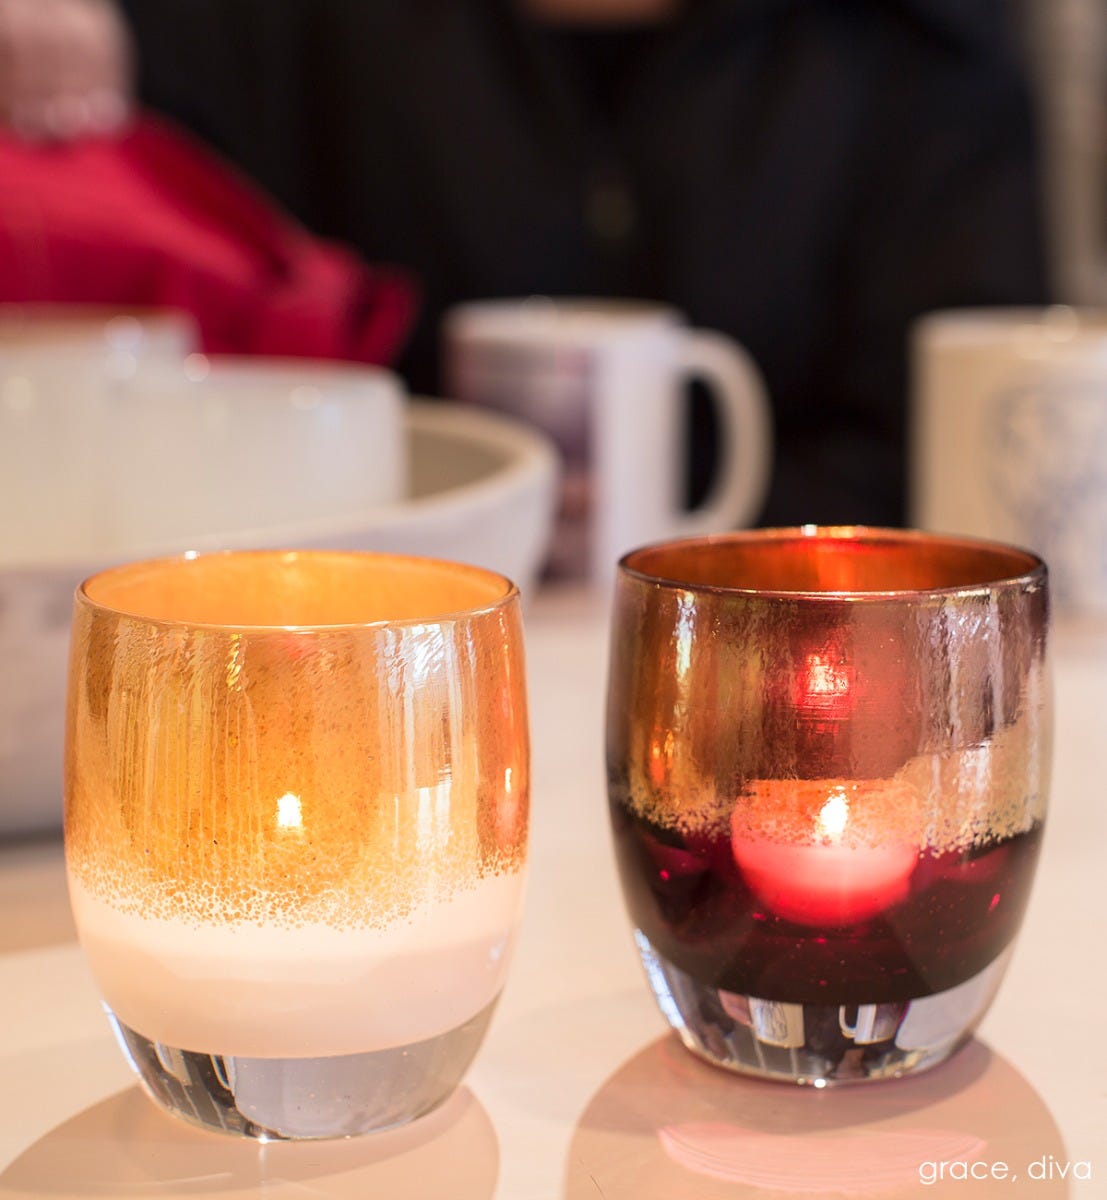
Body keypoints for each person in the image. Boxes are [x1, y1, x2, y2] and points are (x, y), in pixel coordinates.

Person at [1, 0, 1050, 525]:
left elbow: (964, 442)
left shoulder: (920, 53)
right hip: (369, 659)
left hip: (799, 681)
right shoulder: (276, 34)